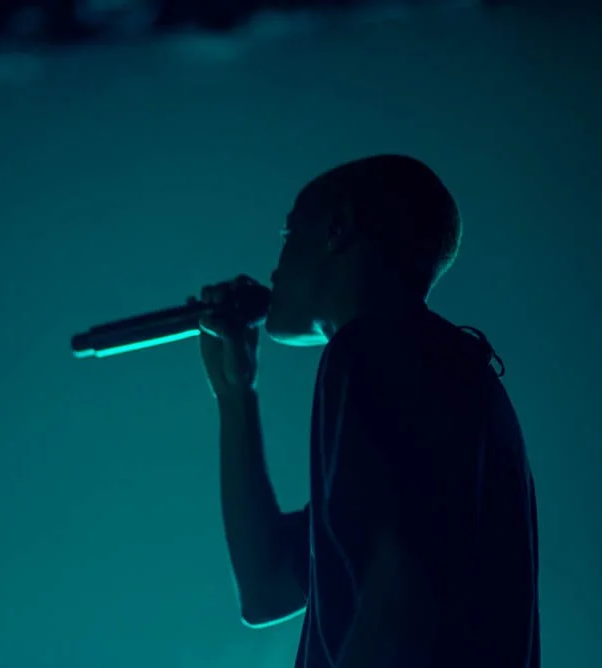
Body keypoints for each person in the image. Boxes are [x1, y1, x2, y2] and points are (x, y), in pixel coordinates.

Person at [198, 155, 540, 668]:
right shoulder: (456, 377)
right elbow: (267, 588)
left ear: (338, 227)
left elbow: (399, 604)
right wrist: (235, 393)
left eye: (289, 235)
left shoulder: (375, 350)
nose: (275, 267)